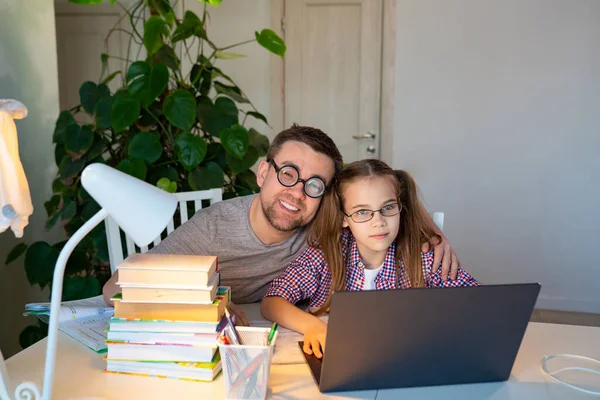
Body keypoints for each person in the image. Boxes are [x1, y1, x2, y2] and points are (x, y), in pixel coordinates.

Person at [102, 126, 461, 324]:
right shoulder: (212, 228)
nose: (297, 193)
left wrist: (429, 231)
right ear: (263, 172)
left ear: (327, 195)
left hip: (284, 333)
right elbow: (115, 287)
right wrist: (207, 303)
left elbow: (375, 191)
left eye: (314, 184)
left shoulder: (327, 222)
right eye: (288, 173)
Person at [261, 159, 480, 358]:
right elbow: (272, 301)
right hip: (342, 358)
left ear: (399, 207)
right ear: (343, 219)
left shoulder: (422, 257)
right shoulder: (325, 257)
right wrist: (313, 327)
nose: (379, 222)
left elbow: (478, 302)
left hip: (410, 358)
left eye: (387, 208)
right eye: (362, 212)